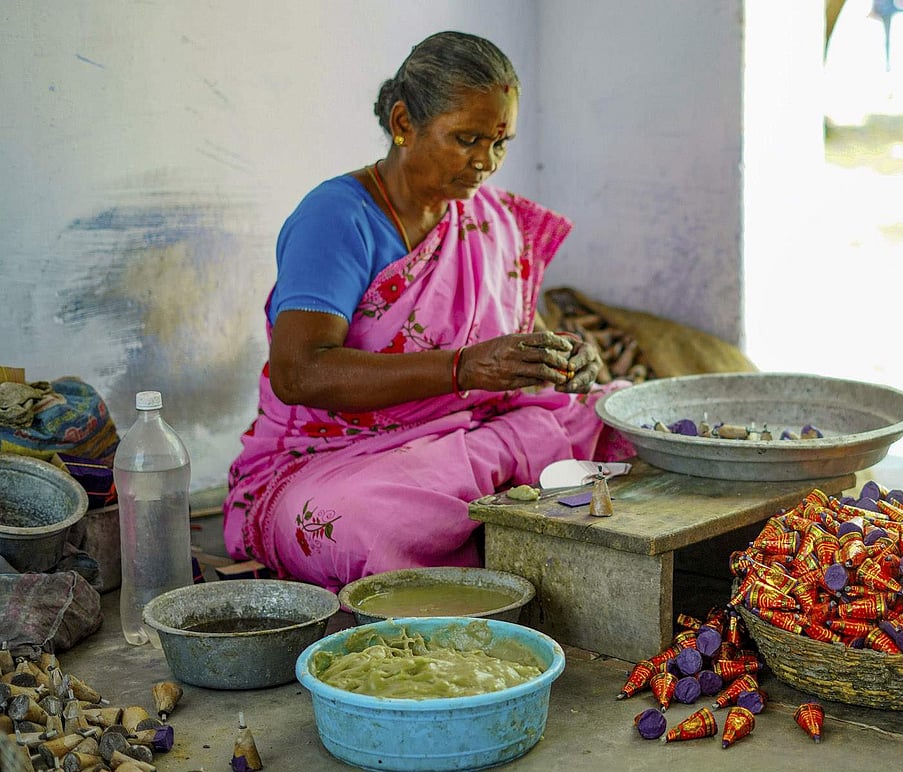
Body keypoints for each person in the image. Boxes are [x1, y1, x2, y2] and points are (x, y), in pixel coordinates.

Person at [223, 31, 632, 593]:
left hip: (473, 437)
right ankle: (500, 532)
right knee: (359, 523)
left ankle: (483, 536)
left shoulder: (487, 219)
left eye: (501, 142)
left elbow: (514, 341)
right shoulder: (338, 218)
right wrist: (462, 369)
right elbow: (299, 373)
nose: (486, 162)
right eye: (466, 138)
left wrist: (562, 360)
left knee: (634, 426)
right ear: (402, 123)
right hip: (344, 461)